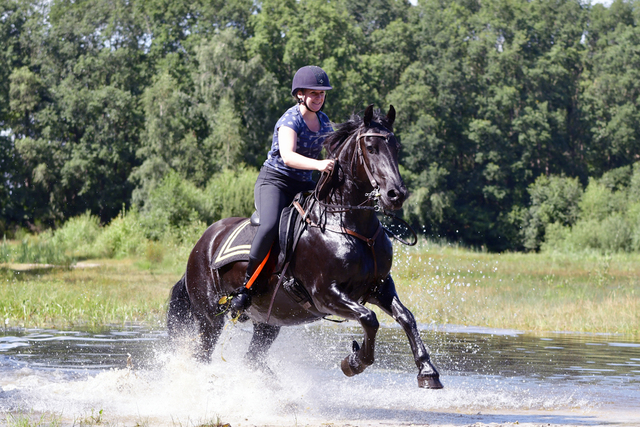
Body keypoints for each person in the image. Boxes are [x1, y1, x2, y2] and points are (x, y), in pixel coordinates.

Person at [227, 65, 336, 317]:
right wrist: (320, 165)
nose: (318, 98)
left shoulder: (324, 121)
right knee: (270, 225)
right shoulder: (290, 120)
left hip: (303, 184)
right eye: (313, 93)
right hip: (275, 181)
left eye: (322, 94)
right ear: (300, 95)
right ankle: (247, 287)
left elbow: (333, 151)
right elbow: (287, 157)